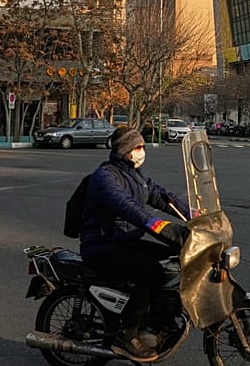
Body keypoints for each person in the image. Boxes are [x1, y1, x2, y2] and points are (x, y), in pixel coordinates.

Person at [80, 126, 190, 362]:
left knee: (174, 260)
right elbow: (130, 210)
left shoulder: (135, 175)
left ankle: (157, 323)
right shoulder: (105, 178)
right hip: (102, 247)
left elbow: (161, 196)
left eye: (142, 146)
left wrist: (194, 215)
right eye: (138, 147)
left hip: (125, 242)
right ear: (126, 150)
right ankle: (128, 334)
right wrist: (166, 229)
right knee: (150, 271)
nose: (142, 151)